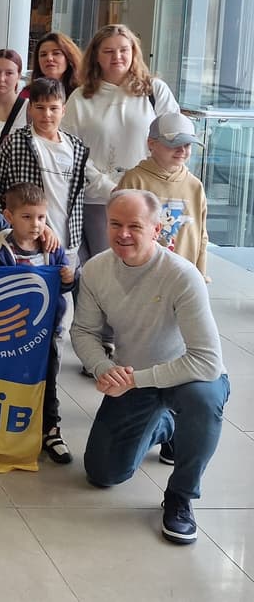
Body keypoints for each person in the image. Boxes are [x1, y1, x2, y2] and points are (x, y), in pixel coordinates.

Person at [72, 189, 228, 545]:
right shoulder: (96, 270)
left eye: (134, 226)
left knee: (203, 400)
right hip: (134, 377)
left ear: (156, 229)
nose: (122, 234)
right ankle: (166, 427)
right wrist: (101, 368)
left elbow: (206, 361)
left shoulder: (181, 275)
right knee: (103, 473)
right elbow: (83, 331)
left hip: (188, 376)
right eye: (115, 224)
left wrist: (134, 380)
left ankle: (181, 497)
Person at [63, 24, 179, 261]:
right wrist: (108, 187)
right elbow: (70, 149)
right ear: (96, 55)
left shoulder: (155, 90)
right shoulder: (80, 97)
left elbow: (174, 137)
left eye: (124, 50)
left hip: (149, 198)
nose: (117, 57)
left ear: (134, 52)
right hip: (97, 200)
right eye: (108, 51)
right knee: (107, 267)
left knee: (149, 267)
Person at [0, 182, 77, 465]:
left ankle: (51, 430)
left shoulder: (52, 248)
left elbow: (62, 289)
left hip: (44, 334)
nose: (36, 224)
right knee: (1, 379)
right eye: (27, 217)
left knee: (47, 382)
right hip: (6, 334)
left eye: (41, 217)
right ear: (9, 217)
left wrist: (69, 280)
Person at [0, 78, 102, 278]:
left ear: (63, 110)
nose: (46, 114)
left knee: (63, 296)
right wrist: (13, 231)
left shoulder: (76, 147)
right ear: (30, 109)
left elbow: (77, 196)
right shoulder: (14, 143)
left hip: (67, 242)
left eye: (53, 108)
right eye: (40, 107)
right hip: (24, 243)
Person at [117, 113, 208, 278]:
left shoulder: (195, 186)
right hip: (142, 275)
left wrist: (200, 273)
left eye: (187, 145)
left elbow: (201, 235)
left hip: (184, 275)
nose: (182, 150)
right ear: (151, 144)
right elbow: (118, 230)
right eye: (174, 144)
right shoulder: (134, 180)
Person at [28, 31, 82, 100]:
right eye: (43, 55)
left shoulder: (82, 93)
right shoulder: (27, 94)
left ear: (69, 57)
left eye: (56, 53)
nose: (49, 58)